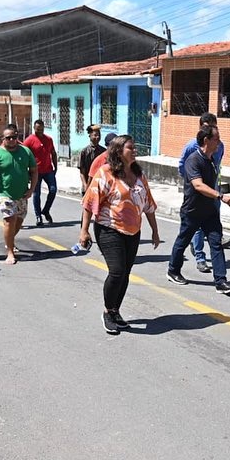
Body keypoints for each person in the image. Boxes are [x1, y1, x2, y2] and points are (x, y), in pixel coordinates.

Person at [79, 134, 161, 334]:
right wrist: (84, 231)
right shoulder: (105, 173)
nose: (134, 151)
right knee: (116, 271)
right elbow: (90, 203)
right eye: (130, 148)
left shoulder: (139, 174)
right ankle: (107, 311)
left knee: (125, 273)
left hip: (133, 231)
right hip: (109, 229)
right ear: (118, 151)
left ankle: (115, 311)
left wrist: (155, 231)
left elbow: (148, 205)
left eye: (134, 148)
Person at [167, 125, 230, 294]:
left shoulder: (212, 159)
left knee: (216, 243)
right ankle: (173, 270)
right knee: (183, 241)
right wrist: (221, 196)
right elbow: (198, 185)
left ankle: (221, 281)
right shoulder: (193, 160)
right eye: (216, 139)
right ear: (206, 140)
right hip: (193, 210)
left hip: (209, 211)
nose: (219, 142)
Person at [178, 113, 225, 274]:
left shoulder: (219, 147)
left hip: (213, 193)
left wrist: (215, 192)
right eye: (205, 126)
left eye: (212, 125)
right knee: (190, 234)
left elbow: (217, 168)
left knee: (215, 238)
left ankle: (221, 279)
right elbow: (183, 165)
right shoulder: (192, 148)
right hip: (196, 199)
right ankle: (199, 258)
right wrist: (191, 181)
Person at [0, 125, 37, 265]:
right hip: (5, 194)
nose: (12, 140)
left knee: (19, 221)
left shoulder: (26, 151)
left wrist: (31, 189)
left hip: (22, 194)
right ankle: (10, 252)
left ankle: (9, 241)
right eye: (8, 138)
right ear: (3, 139)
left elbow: (34, 171)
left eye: (14, 137)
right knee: (10, 220)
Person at [23, 118, 58, 226]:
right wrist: (26, 171)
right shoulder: (29, 140)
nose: (40, 131)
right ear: (34, 128)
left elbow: (53, 153)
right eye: (38, 129)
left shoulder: (48, 139)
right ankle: (38, 216)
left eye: (41, 129)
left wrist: (55, 167)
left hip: (48, 170)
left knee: (53, 190)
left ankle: (46, 210)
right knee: (36, 194)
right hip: (35, 172)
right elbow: (23, 156)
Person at [77, 124, 105, 194]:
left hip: (100, 185)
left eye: (99, 135)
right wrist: (85, 185)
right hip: (88, 184)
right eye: (95, 135)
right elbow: (82, 172)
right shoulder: (84, 152)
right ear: (90, 136)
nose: (97, 137)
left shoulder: (103, 151)